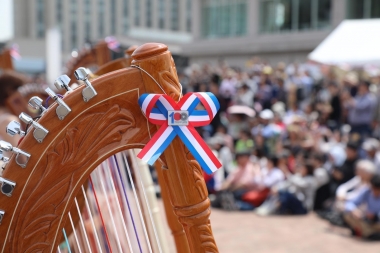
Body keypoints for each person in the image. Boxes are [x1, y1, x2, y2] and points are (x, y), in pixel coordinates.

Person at [343, 174, 380, 239]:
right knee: (348, 215)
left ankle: (367, 233)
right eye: (374, 188)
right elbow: (350, 203)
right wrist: (354, 210)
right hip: (367, 221)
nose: (375, 191)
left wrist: (375, 216)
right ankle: (369, 233)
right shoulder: (367, 191)